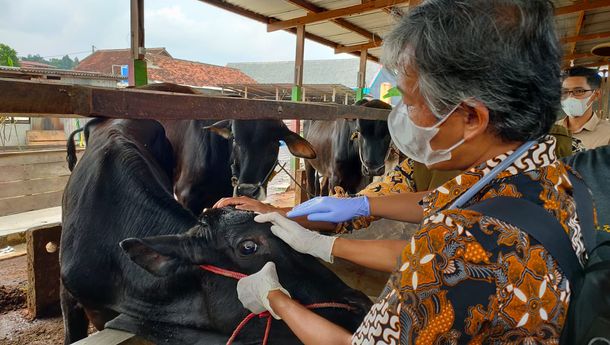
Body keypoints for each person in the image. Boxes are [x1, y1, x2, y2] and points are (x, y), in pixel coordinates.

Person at [233, 0, 592, 343]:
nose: (403, 117)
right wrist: (361, 207)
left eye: (410, 101)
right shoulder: (559, 177)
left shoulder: (455, 241)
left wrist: (274, 298)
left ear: (471, 118)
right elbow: (439, 201)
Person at [558, 66, 610, 151]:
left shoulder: (607, 133)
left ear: (596, 94)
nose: (570, 97)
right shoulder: (549, 132)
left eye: (579, 91)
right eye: (564, 92)